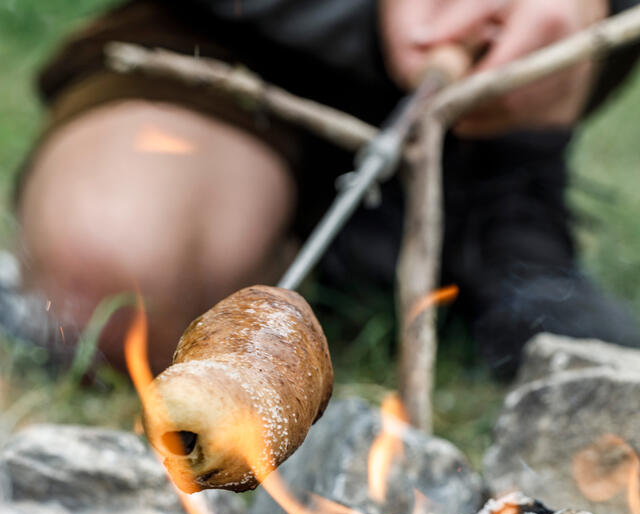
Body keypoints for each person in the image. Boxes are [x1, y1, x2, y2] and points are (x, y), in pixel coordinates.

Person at [13, 0, 640, 377]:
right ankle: (350, 239)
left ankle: (506, 199)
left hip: (506, 43)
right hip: (227, 43)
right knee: (110, 286)